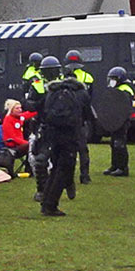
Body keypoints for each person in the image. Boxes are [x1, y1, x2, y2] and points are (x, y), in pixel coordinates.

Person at [35, 57, 94, 218]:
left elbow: (43, 111)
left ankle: (45, 201)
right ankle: (50, 205)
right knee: (64, 170)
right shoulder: (81, 93)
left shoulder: (52, 92)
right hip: (70, 135)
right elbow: (88, 115)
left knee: (55, 168)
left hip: (52, 134)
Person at [64, 51, 95, 184]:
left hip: (66, 121)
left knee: (66, 149)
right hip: (80, 120)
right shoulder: (88, 78)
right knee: (83, 150)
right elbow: (89, 100)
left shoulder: (61, 79)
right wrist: (87, 119)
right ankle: (85, 176)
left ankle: (67, 175)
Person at [100, 67, 134, 176]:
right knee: (113, 143)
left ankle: (123, 168)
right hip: (115, 120)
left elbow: (123, 107)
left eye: (113, 79)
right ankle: (114, 165)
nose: (111, 81)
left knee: (120, 143)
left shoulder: (125, 90)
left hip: (122, 120)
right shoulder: (115, 89)